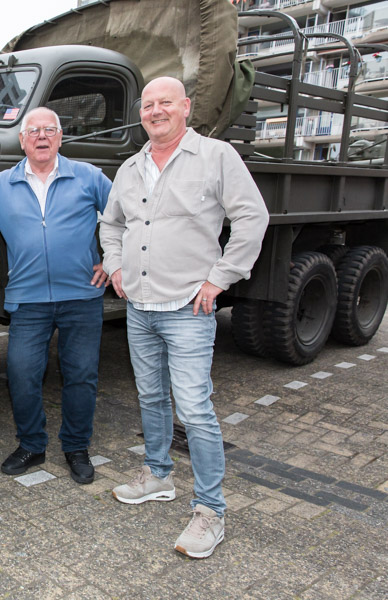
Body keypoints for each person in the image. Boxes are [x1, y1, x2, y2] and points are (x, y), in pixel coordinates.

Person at [99, 76, 269, 559]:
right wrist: (114, 264)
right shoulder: (130, 167)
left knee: (194, 408)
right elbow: (110, 223)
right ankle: (157, 475)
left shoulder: (216, 157)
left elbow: (252, 217)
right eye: (148, 104)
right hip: (140, 308)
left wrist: (220, 278)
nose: (155, 111)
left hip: (188, 309)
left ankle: (210, 510)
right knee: (151, 397)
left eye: (165, 103)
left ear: (186, 107)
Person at [0, 107, 111, 484]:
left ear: (60, 137)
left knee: (81, 376)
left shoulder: (89, 177)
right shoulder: (0, 184)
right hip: (28, 301)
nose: (42, 136)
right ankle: (31, 444)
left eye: (49, 130)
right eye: (34, 131)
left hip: (82, 297)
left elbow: (126, 216)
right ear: (22, 141)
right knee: (21, 373)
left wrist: (114, 260)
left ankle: (76, 447)